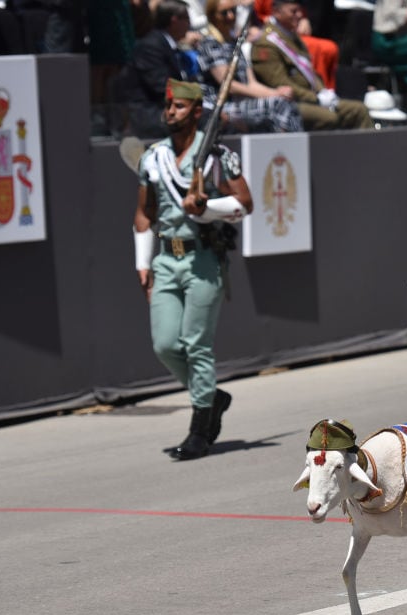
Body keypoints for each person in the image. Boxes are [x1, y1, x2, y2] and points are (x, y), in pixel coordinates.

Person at [132, 78, 254, 460]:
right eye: (168, 106)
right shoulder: (153, 158)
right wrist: (142, 261)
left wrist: (208, 209)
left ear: (197, 112)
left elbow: (245, 203)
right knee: (165, 344)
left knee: (195, 344)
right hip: (166, 258)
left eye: (179, 106)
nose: (171, 112)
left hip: (203, 258)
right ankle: (212, 396)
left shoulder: (217, 155)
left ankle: (201, 426)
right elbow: (143, 213)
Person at [251, 0, 374, 129]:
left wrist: (322, 91)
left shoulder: (292, 36)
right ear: (276, 12)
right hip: (289, 102)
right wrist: (316, 99)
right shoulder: (266, 43)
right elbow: (280, 83)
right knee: (329, 117)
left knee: (359, 110)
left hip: (310, 97)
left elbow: (310, 72)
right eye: (293, 11)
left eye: (299, 11)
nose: (299, 15)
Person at [197, 0, 304, 133]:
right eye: (224, 13)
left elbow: (251, 83)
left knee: (284, 102)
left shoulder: (234, 42)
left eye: (233, 11)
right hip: (220, 106)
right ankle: (292, 149)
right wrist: (273, 94)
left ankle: (289, 149)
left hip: (242, 103)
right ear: (212, 16)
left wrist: (278, 93)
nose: (230, 16)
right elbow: (229, 86)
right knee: (279, 106)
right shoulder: (210, 43)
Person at [113, 0, 196, 137]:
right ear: (174, 20)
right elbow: (163, 87)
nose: (190, 25)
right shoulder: (151, 47)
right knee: (208, 118)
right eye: (187, 19)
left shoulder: (165, 44)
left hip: (166, 109)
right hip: (149, 116)